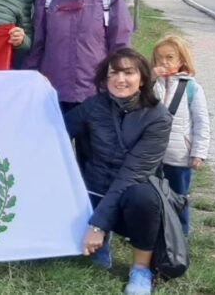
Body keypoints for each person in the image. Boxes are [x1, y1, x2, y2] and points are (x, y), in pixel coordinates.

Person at [64, 48, 172, 295]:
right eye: (113, 73)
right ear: (105, 78)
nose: (120, 79)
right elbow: (55, 133)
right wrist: (42, 91)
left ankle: (141, 270)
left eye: (128, 72)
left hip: (130, 195)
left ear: (142, 78)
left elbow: (131, 174)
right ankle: (98, 243)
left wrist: (97, 225)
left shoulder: (158, 117)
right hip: (93, 186)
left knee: (143, 198)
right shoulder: (94, 106)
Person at [24, 0, 133, 114]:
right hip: (52, 92)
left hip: (95, 94)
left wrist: (120, 86)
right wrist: (28, 78)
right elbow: (37, 45)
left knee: (94, 144)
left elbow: (120, 47)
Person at [151, 35, 210, 236]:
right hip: (151, 154)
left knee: (178, 194)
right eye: (159, 58)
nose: (164, 62)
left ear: (181, 60)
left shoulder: (192, 87)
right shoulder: (152, 84)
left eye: (169, 57)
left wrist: (198, 152)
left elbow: (201, 121)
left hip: (178, 155)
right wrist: (149, 79)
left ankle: (180, 234)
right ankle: (152, 230)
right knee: (151, 193)